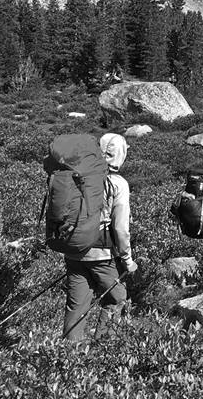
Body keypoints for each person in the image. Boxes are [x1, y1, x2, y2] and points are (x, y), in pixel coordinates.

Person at [62, 133, 138, 341]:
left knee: (76, 305)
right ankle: (104, 348)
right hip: (101, 255)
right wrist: (128, 260)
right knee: (117, 298)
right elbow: (121, 228)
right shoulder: (117, 183)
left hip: (74, 251)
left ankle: (67, 356)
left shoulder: (76, 176)